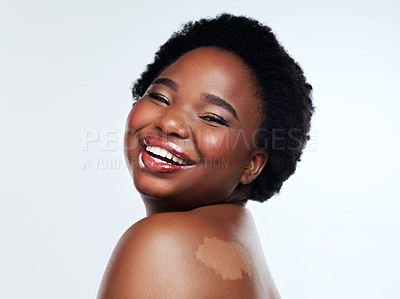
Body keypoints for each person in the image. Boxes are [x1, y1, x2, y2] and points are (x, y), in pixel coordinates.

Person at [97, 13, 314, 298]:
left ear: (252, 165)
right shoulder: (240, 247)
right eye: (160, 97)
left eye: (212, 117)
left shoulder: (163, 243)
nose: (170, 123)